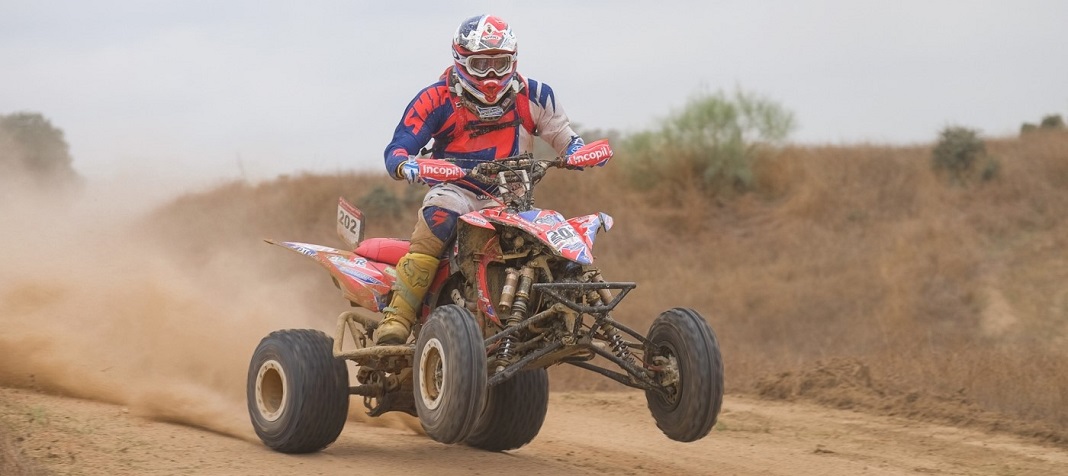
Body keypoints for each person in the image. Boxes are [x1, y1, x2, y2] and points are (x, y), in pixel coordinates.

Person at [377, 14, 586, 345]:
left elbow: (564, 136)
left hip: (511, 198)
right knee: (439, 219)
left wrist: (577, 151)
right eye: (480, 65)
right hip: (454, 190)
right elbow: (399, 147)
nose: (491, 75)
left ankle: (560, 313)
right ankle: (398, 316)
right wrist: (406, 164)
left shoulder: (535, 95)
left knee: (552, 241)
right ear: (461, 61)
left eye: (500, 63)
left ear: (513, 60)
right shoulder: (435, 98)